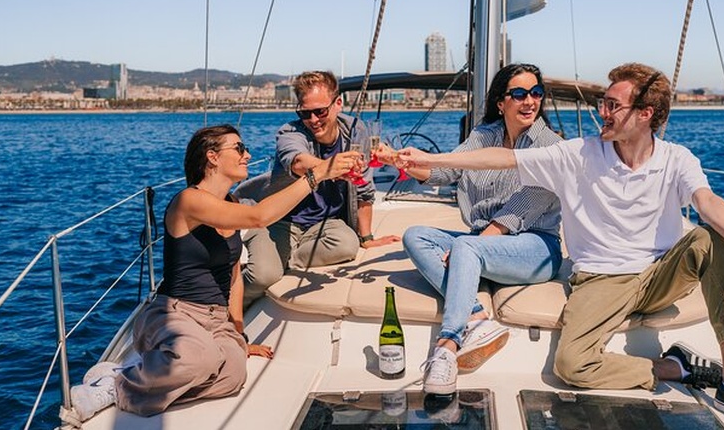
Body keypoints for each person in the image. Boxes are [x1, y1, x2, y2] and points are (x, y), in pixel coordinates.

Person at [397, 63, 724, 430]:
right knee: (571, 365)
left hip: (660, 272)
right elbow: (501, 159)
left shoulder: (676, 159)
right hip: (601, 280)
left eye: (613, 106)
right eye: (603, 103)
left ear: (645, 114)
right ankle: (675, 367)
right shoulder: (578, 154)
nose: (603, 112)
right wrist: (430, 158)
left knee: (712, 236)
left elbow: (706, 201)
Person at [60, 124, 353, 426]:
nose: (248, 155)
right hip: (176, 314)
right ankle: (117, 382)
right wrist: (317, 174)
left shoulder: (231, 203)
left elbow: (235, 276)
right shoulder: (189, 201)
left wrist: (238, 335)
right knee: (198, 360)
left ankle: (158, 375)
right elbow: (259, 217)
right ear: (212, 157)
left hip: (216, 321)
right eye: (239, 148)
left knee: (233, 375)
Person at [378, 64, 563, 396]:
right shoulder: (483, 136)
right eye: (519, 94)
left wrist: (471, 247)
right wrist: (403, 163)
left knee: (467, 248)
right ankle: (477, 318)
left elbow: (516, 213)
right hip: (484, 245)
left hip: (536, 248)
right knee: (415, 235)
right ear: (500, 102)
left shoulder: (550, 146)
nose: (529, 101)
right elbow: (446, 171)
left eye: (536, 93)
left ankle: (448, 345)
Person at [240, 71, 400, 308]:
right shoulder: (290, 132)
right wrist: (330, 169)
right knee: (263, 276)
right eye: (305, 113)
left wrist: (367, 238)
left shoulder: (356, 131)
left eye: (320, 112)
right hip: (279, 221)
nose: (313, 120)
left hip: (324, 224)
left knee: (348, 244)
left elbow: (364, 189)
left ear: (338, 104)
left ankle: (285, 259)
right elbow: (296, 161)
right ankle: (229, 310)